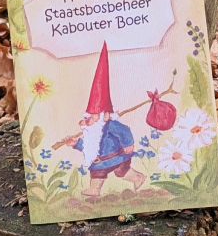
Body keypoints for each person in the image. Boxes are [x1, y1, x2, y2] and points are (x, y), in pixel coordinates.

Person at [54, 43, 148, 197]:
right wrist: (76, 143)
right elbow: (90, 146)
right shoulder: (91, 132)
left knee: (121, 171)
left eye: (93, 115)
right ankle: (94, 190)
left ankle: (138, 177)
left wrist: (128, 143)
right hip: (100, 161)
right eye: (88, 116)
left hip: (117, 157)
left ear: (104, 115)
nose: (88, 119)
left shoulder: (109, 124)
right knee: (96, 173)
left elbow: (124, 130)